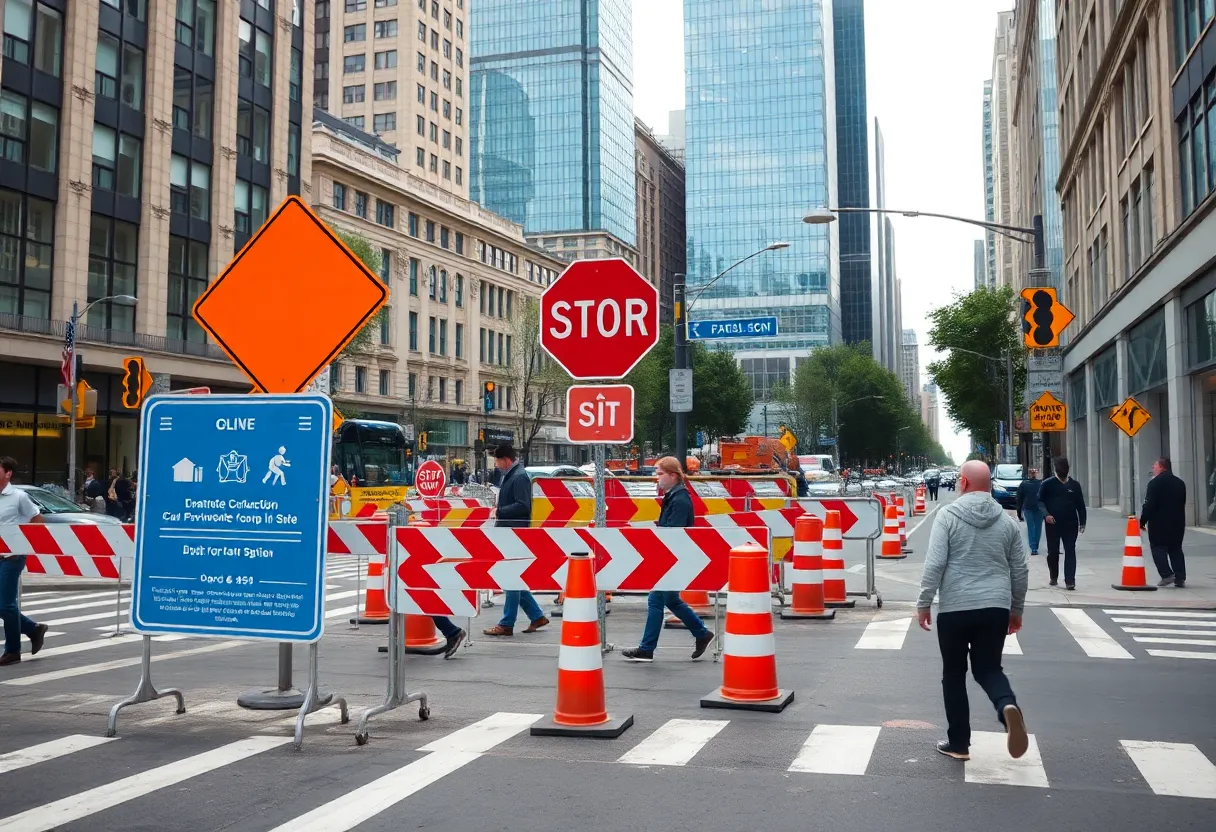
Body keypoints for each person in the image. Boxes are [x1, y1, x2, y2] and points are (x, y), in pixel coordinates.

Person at [916, 460, 1029, 762]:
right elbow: (1019, 569)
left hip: (955, 607)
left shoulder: (947, 516)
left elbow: (935, 563)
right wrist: (1016, 609)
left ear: (963, 482)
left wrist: (924, 602)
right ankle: (1006, 706)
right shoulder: (1007, 522)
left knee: (954, 674)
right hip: (995, 607)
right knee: (989, 669)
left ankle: (959, 744)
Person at [622, 457, 715, 662]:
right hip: (675, 558)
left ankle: (647, 649)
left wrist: (660, 531)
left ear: (673, 476)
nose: (657, 478)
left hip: (674, 559)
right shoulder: (675, 496)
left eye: (659, 473)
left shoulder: (680, 500)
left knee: (656, 600)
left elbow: (674, 534)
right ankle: (701, 633)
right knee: (670, 599)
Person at [483, 445, 548, 637]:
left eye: (497, 460)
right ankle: (536, 616)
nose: (496, 464)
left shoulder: (519, 476)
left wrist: (500, 511)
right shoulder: (514, 474)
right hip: (510, 533)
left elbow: (523, 506)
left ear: (505, 460)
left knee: (509, 577)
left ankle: (506, 624)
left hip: (515, 534)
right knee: (512, 578)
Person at [0, 457, 49, 666]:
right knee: (4, 605)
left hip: (11, 558)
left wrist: (22, 544)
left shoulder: (18, 496)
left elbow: (37, 519)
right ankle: (32, 628)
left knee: (4, 605)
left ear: (8, 473)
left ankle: (13, 651)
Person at [1037, 457, 1087, 590]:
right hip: (1052, 523)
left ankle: (1070, 580)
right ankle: (1053, 576)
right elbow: (1040, 501)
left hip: (1070, 523)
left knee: (1070, 549)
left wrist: (1082, 522)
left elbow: (1081, 505)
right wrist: (1046, 514)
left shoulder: (1074, 485)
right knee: (1053, 551)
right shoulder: (1047, 484)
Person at [1140, 457, 1187, 588]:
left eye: (1154, 466)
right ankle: (1180, 577)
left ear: (1162, 467)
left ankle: (1166, 574)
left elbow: (1149, 504)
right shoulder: (1180, 483)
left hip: (1159, 522)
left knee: (1157, 547)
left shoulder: (1154, 483)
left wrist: (1143, 520)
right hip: (1178, 522)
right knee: (1176, 548)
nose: (1153, 469)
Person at [1016, 468, 1045, 556]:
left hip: (1028, 508)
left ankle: (1033, 548)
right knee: (1038, 528)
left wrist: (1019, 512)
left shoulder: (1023, 484)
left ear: (1028, 475)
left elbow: (1019, 498)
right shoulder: (1041, 484)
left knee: (1030, 527)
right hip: (1039, 508)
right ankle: (1035, 546)